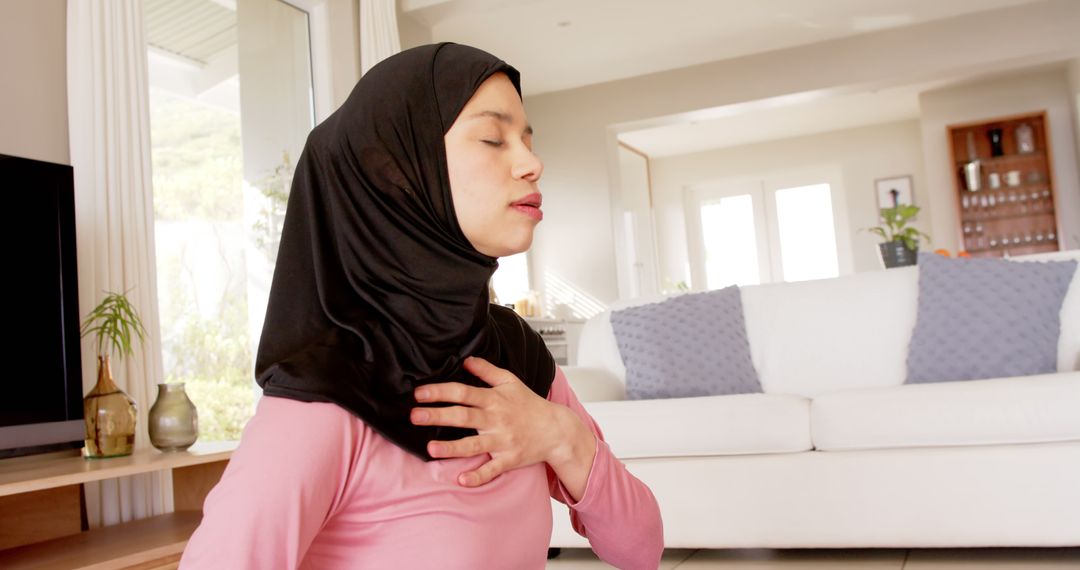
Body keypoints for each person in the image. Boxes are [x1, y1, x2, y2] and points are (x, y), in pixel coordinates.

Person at [178, 42, 663, 570]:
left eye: (526, 139)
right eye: (492, 138)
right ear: (402, 172)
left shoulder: (514, 357)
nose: (531, 162)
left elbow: (640, 551)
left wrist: (564, 437)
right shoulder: (326, 399)